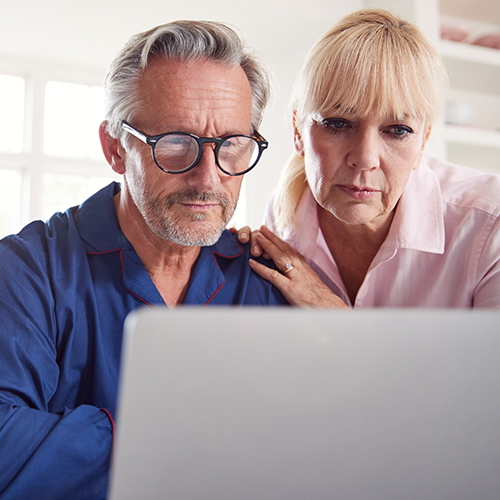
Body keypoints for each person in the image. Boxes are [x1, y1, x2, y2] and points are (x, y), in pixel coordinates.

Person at [0, 21, 287, 500]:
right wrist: (189, 438)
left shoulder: (261, 280)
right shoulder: (28, 270)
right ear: (115, 148)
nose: (208, 177)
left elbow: (301, 449)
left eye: (232, 145)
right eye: (176, 142)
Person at [242, 8, 500, 309]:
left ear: (424, 141)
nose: (364, 159)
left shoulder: (489, 224)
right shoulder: (285, 215)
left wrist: (338, 319)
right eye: (337, 124)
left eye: (398, 130)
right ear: (298, 132)